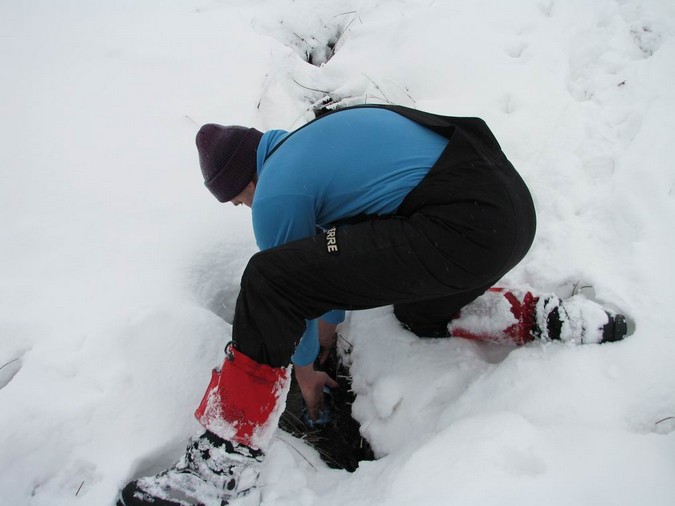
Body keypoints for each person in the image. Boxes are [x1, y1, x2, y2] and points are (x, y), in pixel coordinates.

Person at [117, 105, 626, 506]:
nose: (242, 207)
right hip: (504, 215)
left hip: (459, 227)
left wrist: (304, 371)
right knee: (419, 313)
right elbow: (330, 260)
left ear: (244, 180)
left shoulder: (275, 192)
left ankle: (220, 467)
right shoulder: (315, 142)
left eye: (235, 200)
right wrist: (328, 329)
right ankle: (539, 316)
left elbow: (289, 285)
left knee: (267, 279)